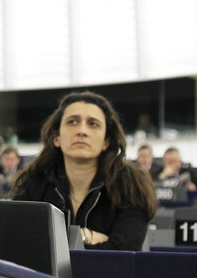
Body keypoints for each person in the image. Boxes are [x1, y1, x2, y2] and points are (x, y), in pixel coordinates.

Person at [11, 91, 157, 250]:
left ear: (106, 142)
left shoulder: (131, 185)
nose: (82, 131)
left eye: (93, 124)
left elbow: (123, 253)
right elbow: (20, 247)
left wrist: (59, 243)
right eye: (72, 122)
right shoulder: (33, 184)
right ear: (56, 137)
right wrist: (88, 237)